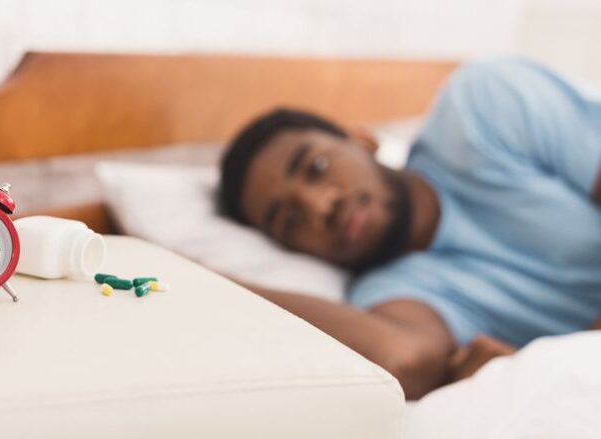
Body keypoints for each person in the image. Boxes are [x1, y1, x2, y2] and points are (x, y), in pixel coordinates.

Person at [219, 58, 601, 399]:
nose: (321, 206)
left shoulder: (480, 109)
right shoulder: (391, 294)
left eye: (317, 166)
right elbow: (402, 360)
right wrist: (210, 283)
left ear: (361, 140)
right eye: (290, 221)